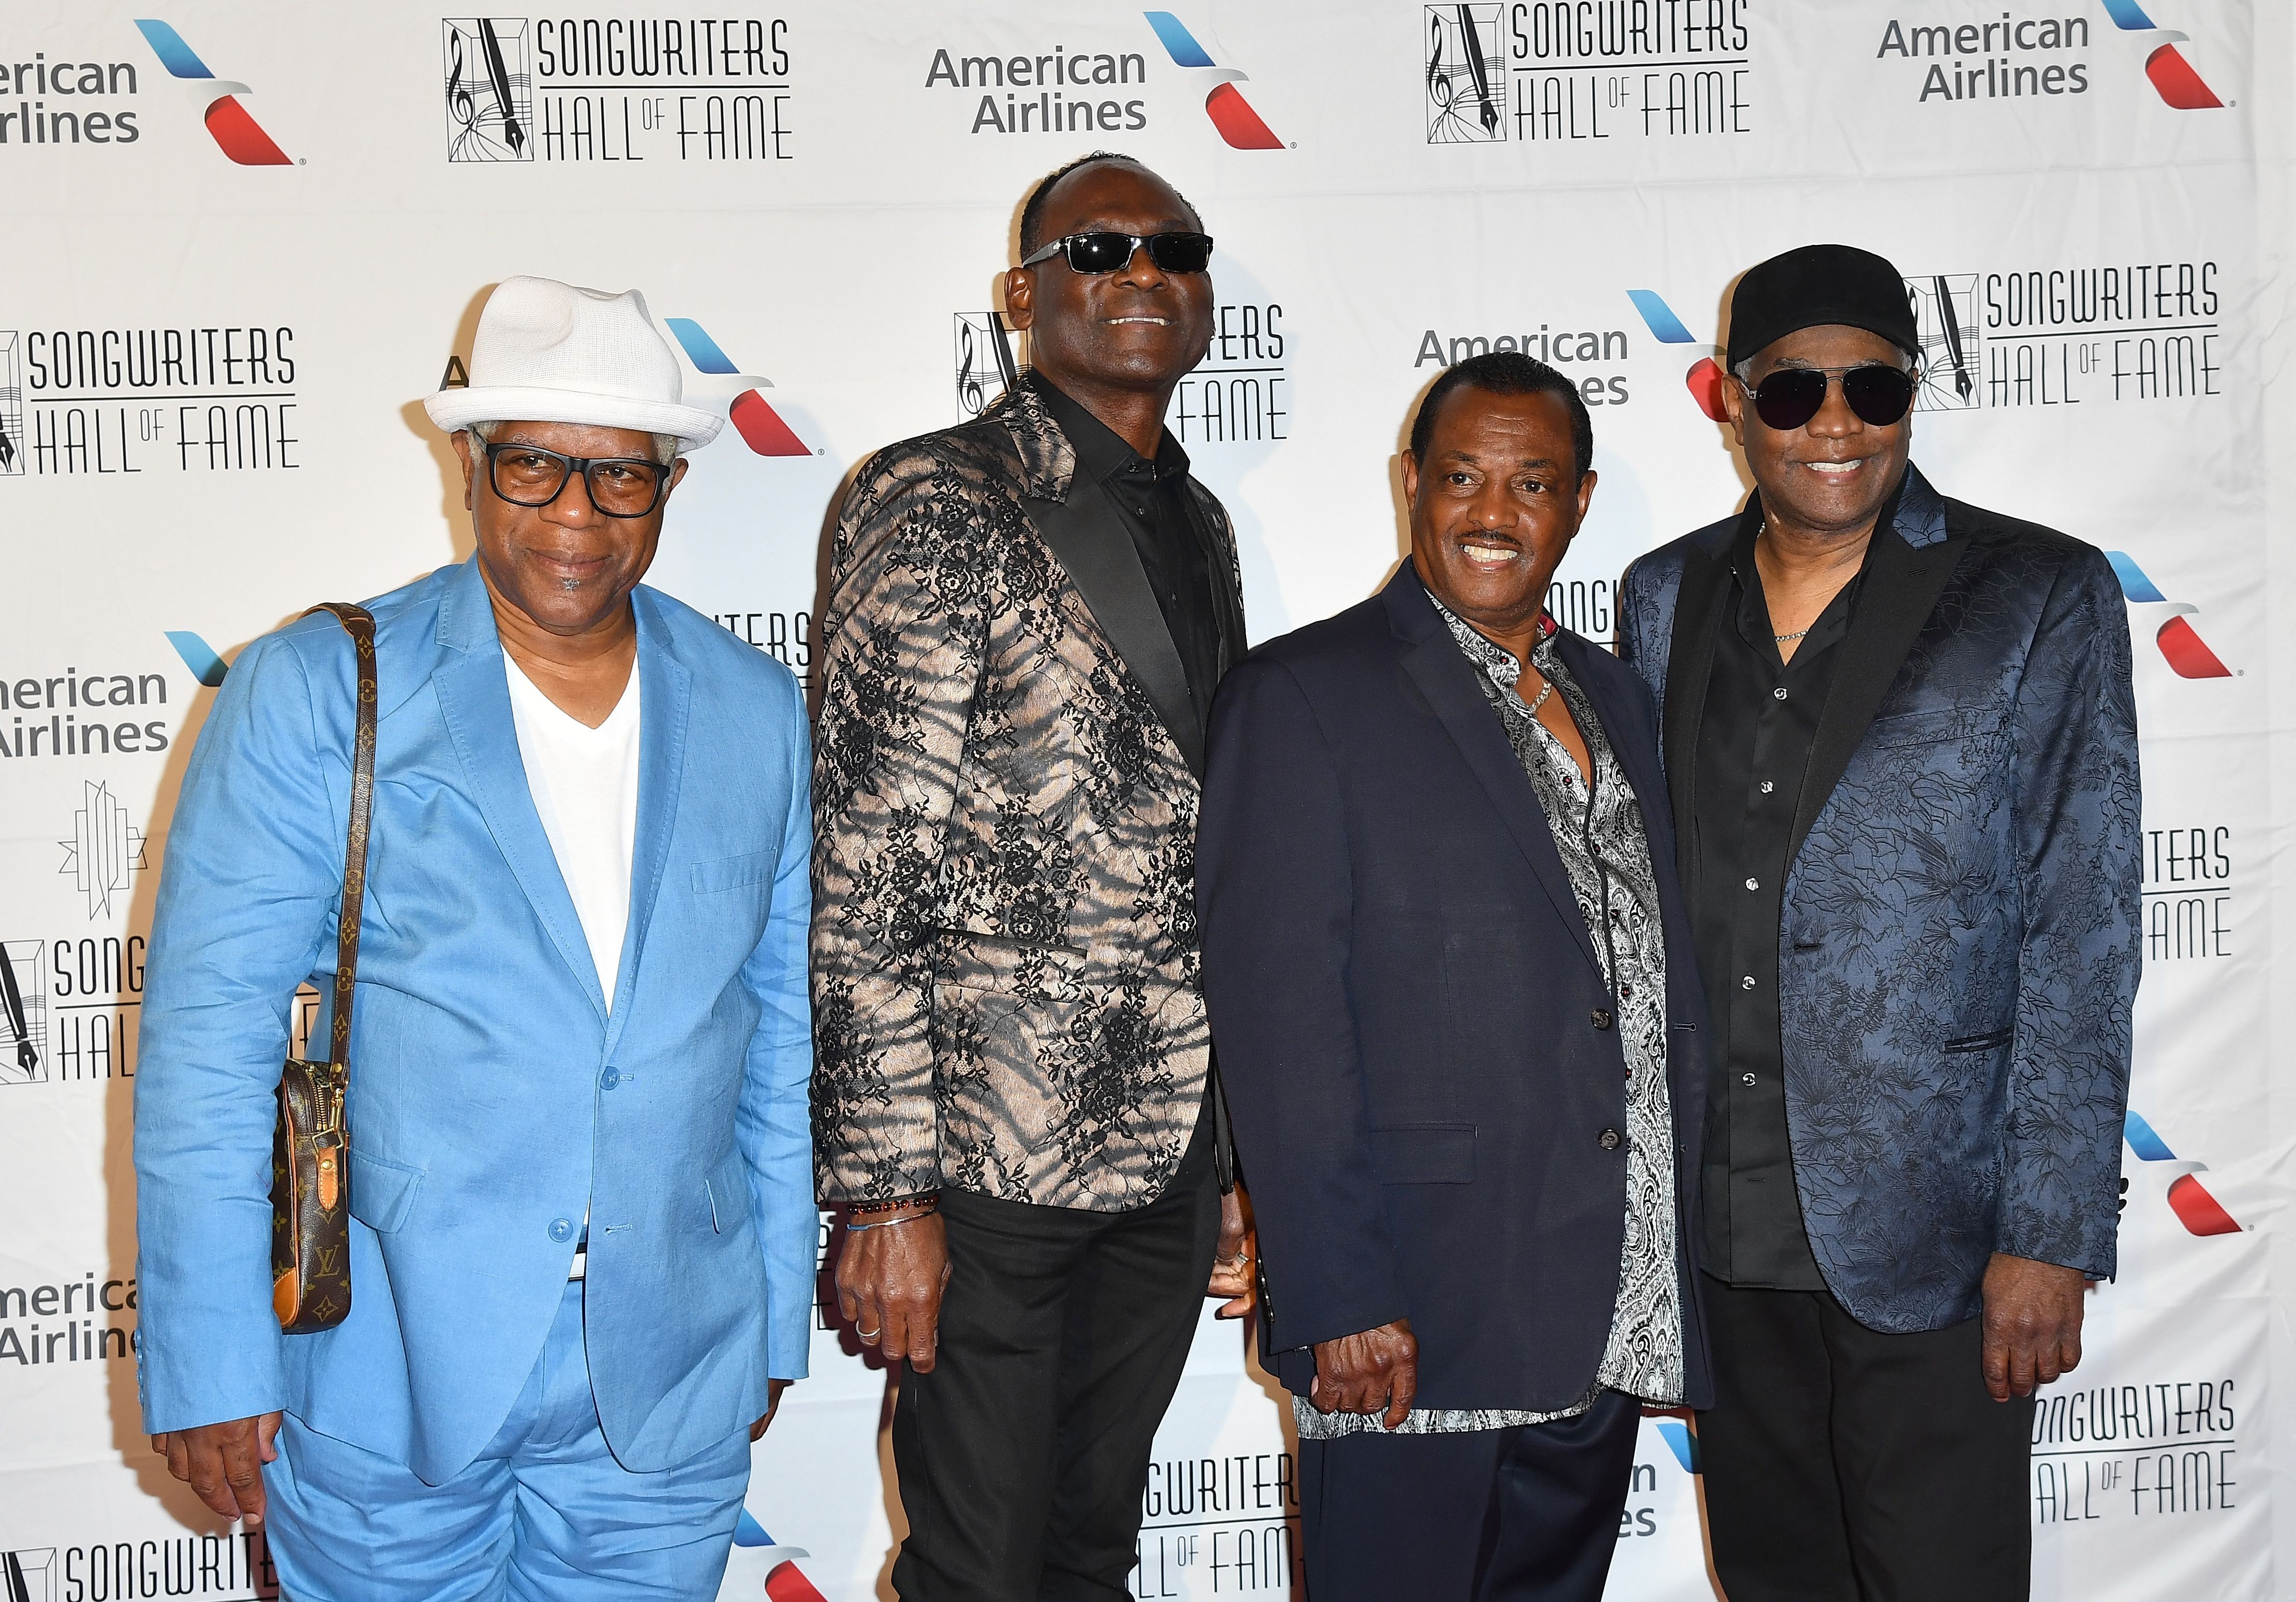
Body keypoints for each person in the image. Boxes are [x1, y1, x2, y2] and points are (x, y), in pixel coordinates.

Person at [133, 276, 817, 1599]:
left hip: (666, 1362)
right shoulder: (319, 687)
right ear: (469, 462)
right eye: (534, 467)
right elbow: (206, 1058)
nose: (575, 514)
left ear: (669, 486)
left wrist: (763, 1326)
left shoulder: (753, 707)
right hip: (385, 1356)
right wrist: (215, 1356)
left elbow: (777, 1042)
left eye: (620, 478)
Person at [1617, 243, 2141, 1600]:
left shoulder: (2033, 592)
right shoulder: (1662, 596)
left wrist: (2047, 1234)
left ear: (1911, 394)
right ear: (1728, 398)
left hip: (1939, 1233)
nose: (1833, 423)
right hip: (1724, 1230)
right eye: (1792, 393)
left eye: (1872, 387)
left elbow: (2079, 926)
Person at [1198, 351, 1712, 1602]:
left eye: (1531, 482)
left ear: (1579, 501)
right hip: (1412, 1310)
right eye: (1461, 477)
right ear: (1410, 487)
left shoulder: (1617, 699)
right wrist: (1337, 1291)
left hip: (1600, 1298)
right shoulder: (1304, 696)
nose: (1493, 513)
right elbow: (1279, 1019)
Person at [811, 151, 1254, 1600]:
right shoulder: (935, 497)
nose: (1142, 275)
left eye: (1173, 249)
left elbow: (1213, 847)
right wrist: (883, 1196)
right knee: (978, 1571)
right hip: (986, 1158)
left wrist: (1236, 1152)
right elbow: (867, 857)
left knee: (1087, 1555)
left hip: (1162, 1149)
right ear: (1021, 295)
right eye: (1098, 248)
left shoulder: (1197, 520)